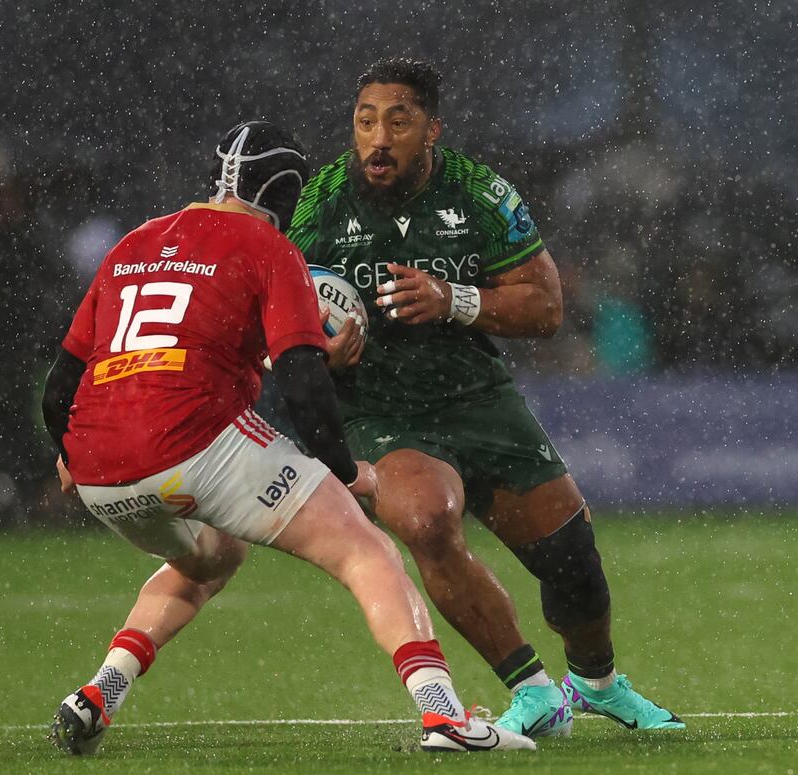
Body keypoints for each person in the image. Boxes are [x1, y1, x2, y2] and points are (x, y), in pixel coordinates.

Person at [41, 120, 535, 756]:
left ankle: (100, 692)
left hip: (100, 468)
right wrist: (343, 467)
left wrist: (67, 452)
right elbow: (302, 382)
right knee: (366, 552)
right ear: (284, 193)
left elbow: (61, 384)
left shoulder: (133, 244)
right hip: (194, 443)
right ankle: (445, 718)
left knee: (212, 557)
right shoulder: (265, 245)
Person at [285, 59, 684, 736]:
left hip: (477, 396)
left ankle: (596, 683)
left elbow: (546, 306)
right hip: (380, 409)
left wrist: (453, 298)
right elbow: (274, 312)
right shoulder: (320, 201)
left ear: (432, 129)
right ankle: (531, 688)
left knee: (571, 559)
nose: (377, 138)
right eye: (364, 121)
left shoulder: (479, 192)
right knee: (427, 520)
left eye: (398, 120)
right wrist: (315, 350)